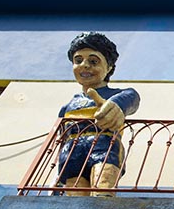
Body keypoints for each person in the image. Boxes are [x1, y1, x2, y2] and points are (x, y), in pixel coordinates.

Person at [57, 32, 140, 196]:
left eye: (93, 61)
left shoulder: (119, 95)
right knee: (74, 200)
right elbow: (61, 138)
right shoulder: (67, 107)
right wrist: (56, 181)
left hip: (104, 145)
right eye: (78, 60)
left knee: (102, 192)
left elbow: (132, 98)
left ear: (108, 67)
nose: (85, 65)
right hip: (72, 150)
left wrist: (116, 107)